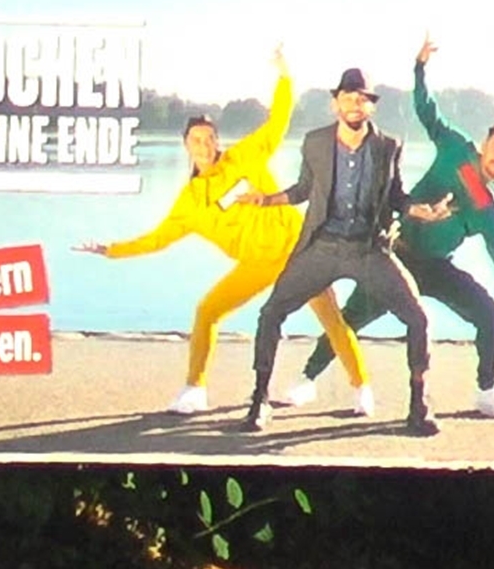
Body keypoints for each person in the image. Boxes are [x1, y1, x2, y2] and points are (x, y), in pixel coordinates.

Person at [282, 37, 494, 420]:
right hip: (397, 255)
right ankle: (306, 378)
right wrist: (420, 67)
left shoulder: (487, 211)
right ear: (483, 145)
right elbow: (426, 110)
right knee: (350, 320)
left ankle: (488, 391)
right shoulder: (456, 149)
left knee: (488, 312)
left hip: (436, 268)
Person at [74, 50, 367, 417]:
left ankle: (361, 390)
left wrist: (283, 77)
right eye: (196, 139)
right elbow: (156, 239)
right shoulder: (190, 203)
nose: (204, 145)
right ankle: (194, 391)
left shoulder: (243, 158)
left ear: (217, 141)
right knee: (207, 311)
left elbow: (277, 122)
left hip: (300, 251)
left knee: (331, 320)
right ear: (186, 146)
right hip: (257, 264)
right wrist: (110, 250)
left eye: (209, 138)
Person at [240, 68, 453, 437]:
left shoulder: (388, 146)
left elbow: (397, 196)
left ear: (370, 106)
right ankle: (259, 400)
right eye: (348, 97)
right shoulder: (315, 143)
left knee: (418, 318)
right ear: (335, 102)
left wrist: (423, 212)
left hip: (367, 249)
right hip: (321, 247)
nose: (354, 104)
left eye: (362, 99)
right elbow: (303, 189)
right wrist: (266, 201)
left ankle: (419, 405)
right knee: (271, 312)